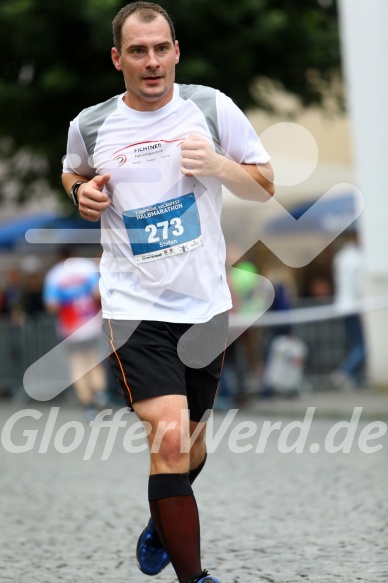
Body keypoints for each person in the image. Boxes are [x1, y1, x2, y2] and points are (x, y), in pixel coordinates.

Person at [61, 3, 274, 582]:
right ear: (117, 59)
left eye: (160, 48)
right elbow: (72, 170)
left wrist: (221, 166)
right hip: (135, 307)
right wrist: (81, 193)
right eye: (137, 51)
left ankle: (162, 516)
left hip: (205, 305)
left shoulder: (210, 108)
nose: (151, 62)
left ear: (176, 50)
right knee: (172, 435)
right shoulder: (93, 124)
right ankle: (195, 577)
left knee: (190, 447)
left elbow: (263, 185)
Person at [43, 247, 108, 418]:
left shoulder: (54, 275)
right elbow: (97, 293)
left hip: (70, 327)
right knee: (94, 361)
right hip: (91, 323)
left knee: (77, 366)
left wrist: (68, 299)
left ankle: (88, 405)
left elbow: (51, 306)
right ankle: (100, 393)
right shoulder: (86, 267)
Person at [331, 232, 366, 389]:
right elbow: (359, 286)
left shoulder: (339, 258)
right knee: (362, 346)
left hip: (342, 305)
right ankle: (346, 371)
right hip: (355, 306)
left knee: (354, 344)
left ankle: (356, 380)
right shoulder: (358, 258)